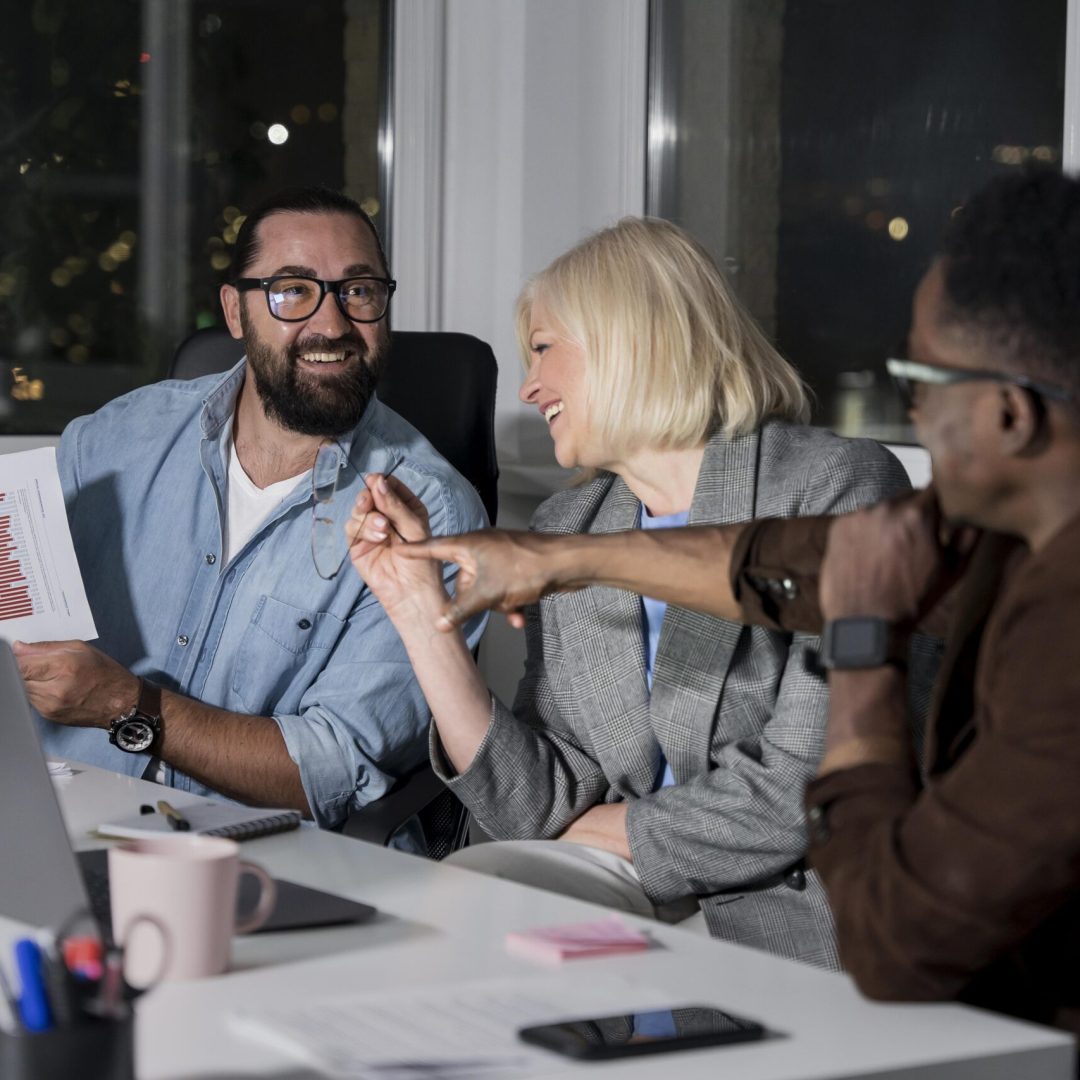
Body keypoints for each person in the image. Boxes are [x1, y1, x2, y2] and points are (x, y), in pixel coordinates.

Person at [395, 169, 1080, 1034]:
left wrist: (862, 640)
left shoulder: (1048, 627)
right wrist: (536, 565)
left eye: (919, 380)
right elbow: (777, 563)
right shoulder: (984, 546)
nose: (907, 409)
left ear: (1013, 417)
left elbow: (891, 929)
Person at [349, 217, 912, 968]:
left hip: (793, 898)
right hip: (619, 878)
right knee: (464, 915)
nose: (528, 386)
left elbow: (809, 791)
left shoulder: (835, 487)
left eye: (544, 349)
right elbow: (534, 804)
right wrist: (423, 614)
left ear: (630, 337)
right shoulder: (568, 521)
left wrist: (611, 828)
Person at [20, 187, 487, 840]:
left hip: (261, 856)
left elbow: (332, 767)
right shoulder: (118, 438)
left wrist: (127, 706)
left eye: (359, 291)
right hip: (56, 819)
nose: (331, 325)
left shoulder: (430, 512)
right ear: (236, 311)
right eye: (292, 290)